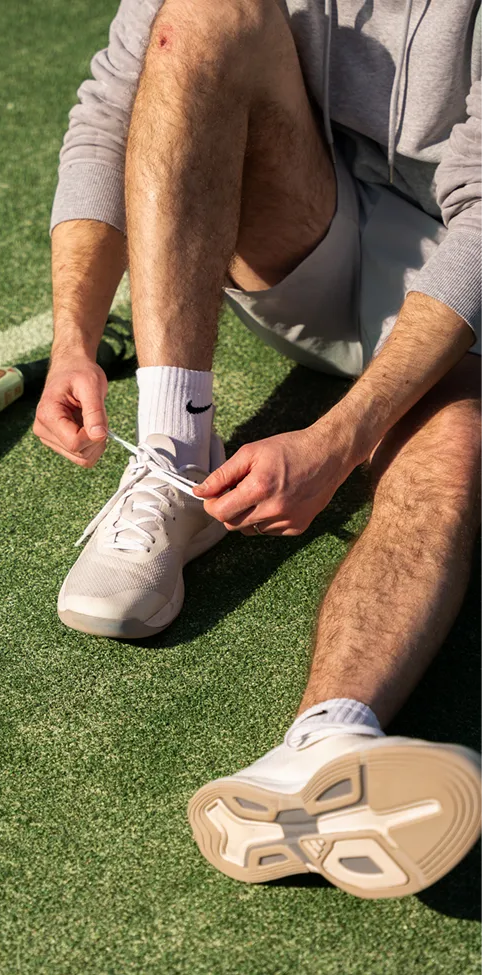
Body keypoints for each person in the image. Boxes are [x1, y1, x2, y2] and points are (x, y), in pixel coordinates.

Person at [34, 0, 482, 899]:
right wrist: (75, 335)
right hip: (316, 222)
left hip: (461, 270)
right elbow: (110, 107)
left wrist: (340, 437)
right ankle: (174, 449)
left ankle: (325, 738)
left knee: (451, 446)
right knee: (200, 16)